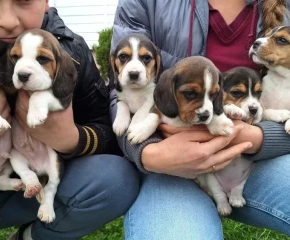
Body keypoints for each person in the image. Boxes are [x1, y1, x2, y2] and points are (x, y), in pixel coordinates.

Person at [110, 0, 290, 239]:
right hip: (169, 169)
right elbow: (123, 91)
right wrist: (146, 153)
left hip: (256, 161)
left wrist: (259, 139)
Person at [0, 1, 139, 240]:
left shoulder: (70, 50)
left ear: (46, 2)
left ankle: (29, 236)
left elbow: (108, 131)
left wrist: (71, 138)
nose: (7, 21)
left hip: (35, 177)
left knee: (115, 180)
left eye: (24, 0)